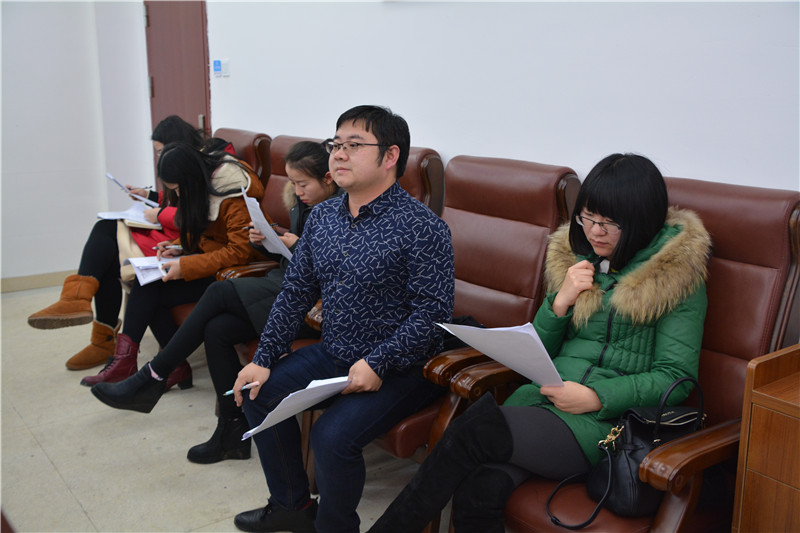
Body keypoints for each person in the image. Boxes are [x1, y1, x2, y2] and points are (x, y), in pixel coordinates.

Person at [368, 153, 712, 533]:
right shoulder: (578, 261)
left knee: (471, 431)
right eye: (588, 218)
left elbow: (675, 376)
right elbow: (539, 349)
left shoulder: (676, 280)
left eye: (609, 224)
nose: (595, 232)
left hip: (606, 425)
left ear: (641, 221)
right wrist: (559, 303)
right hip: (543, 403)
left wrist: (597, 397)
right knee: (479, 491)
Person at [220, 106, 455, 533]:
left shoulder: (423, 228)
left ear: (390, 156)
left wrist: (378, 362)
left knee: (331, 438)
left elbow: (432, 315)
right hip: (336, 352)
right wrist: (264, 357)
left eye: (354, 145)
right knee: (256, 392)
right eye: (336, 144)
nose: (339, 154)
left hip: (403, 367)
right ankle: (292, 506)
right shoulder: (324, 218)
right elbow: (296, 291)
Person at [90, 141, 341, 465]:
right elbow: (283, 255)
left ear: (328, 179)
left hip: (310, 300)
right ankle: (231, 431)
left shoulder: (338, 210)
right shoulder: (303, 205)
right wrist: (267, 241)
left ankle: (152, 376)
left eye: (302, 183)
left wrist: (298, 246)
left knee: (219, 292)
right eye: (292, 183)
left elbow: (337, 269)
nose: (296, 190)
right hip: (285, 284)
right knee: (217, 329)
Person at [27, 116, 228, 387]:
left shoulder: (217, 176)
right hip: (180, 241)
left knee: (119, 257)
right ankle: (105, 336)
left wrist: (161, 217)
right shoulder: (194, 171)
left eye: (161, 151)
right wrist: (150, 196)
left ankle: (99, 329)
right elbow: (186, 205)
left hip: (186, 243)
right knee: (108, 238)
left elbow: (199, 218)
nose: (159, 156)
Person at [79, 142, 265, 388]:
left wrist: (185, 265)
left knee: (151, 291)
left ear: (189, 180)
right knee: (146, 283)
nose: (177, 196)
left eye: (177, 189)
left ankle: (151, 365)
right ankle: (145, 363)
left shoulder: (233, 196)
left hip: (233, 275)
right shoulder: (203, 186)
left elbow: (240, 252)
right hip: (212, 265)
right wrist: (179, 246)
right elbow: (206, 232)